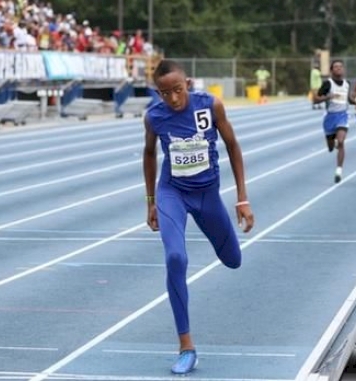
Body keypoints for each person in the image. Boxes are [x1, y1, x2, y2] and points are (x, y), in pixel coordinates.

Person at [142, 59, 255, 375]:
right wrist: (151, 200)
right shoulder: (154, 117)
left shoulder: (210, 106)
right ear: (158, 93)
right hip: (172, 193)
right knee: (175, 258)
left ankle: (223, 238)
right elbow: (149, 154)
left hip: (207, 194)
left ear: (188, 84)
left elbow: (232, 145)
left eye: (177, 90)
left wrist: (242, 198)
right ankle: (186, 347)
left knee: (233, 259)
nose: (173, 99)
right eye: (165, 93)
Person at [314, 60, 356, 183]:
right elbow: (315, 99)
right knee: (331, 147)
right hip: (330, 118)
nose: (338, 69)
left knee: (341, 141)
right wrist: (328, 97)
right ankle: (331, 140)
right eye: (336, 67)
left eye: (340, 67)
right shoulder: (327, 83)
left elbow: (349, 99)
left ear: (343, 70)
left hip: (342, 116)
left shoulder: (347, 84)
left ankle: (339, 170)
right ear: (331, 70)